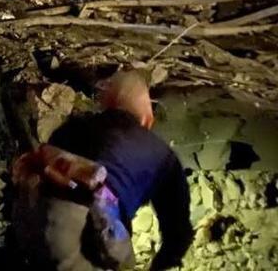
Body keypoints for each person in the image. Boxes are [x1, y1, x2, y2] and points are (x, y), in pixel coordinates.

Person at [13, 70, 193, 270]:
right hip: (85, 234)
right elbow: (178, 234)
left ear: (109, 104)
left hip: (35, 219)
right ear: (147, 119)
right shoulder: (163, 156)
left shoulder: (76, 127)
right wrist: (159, 266)